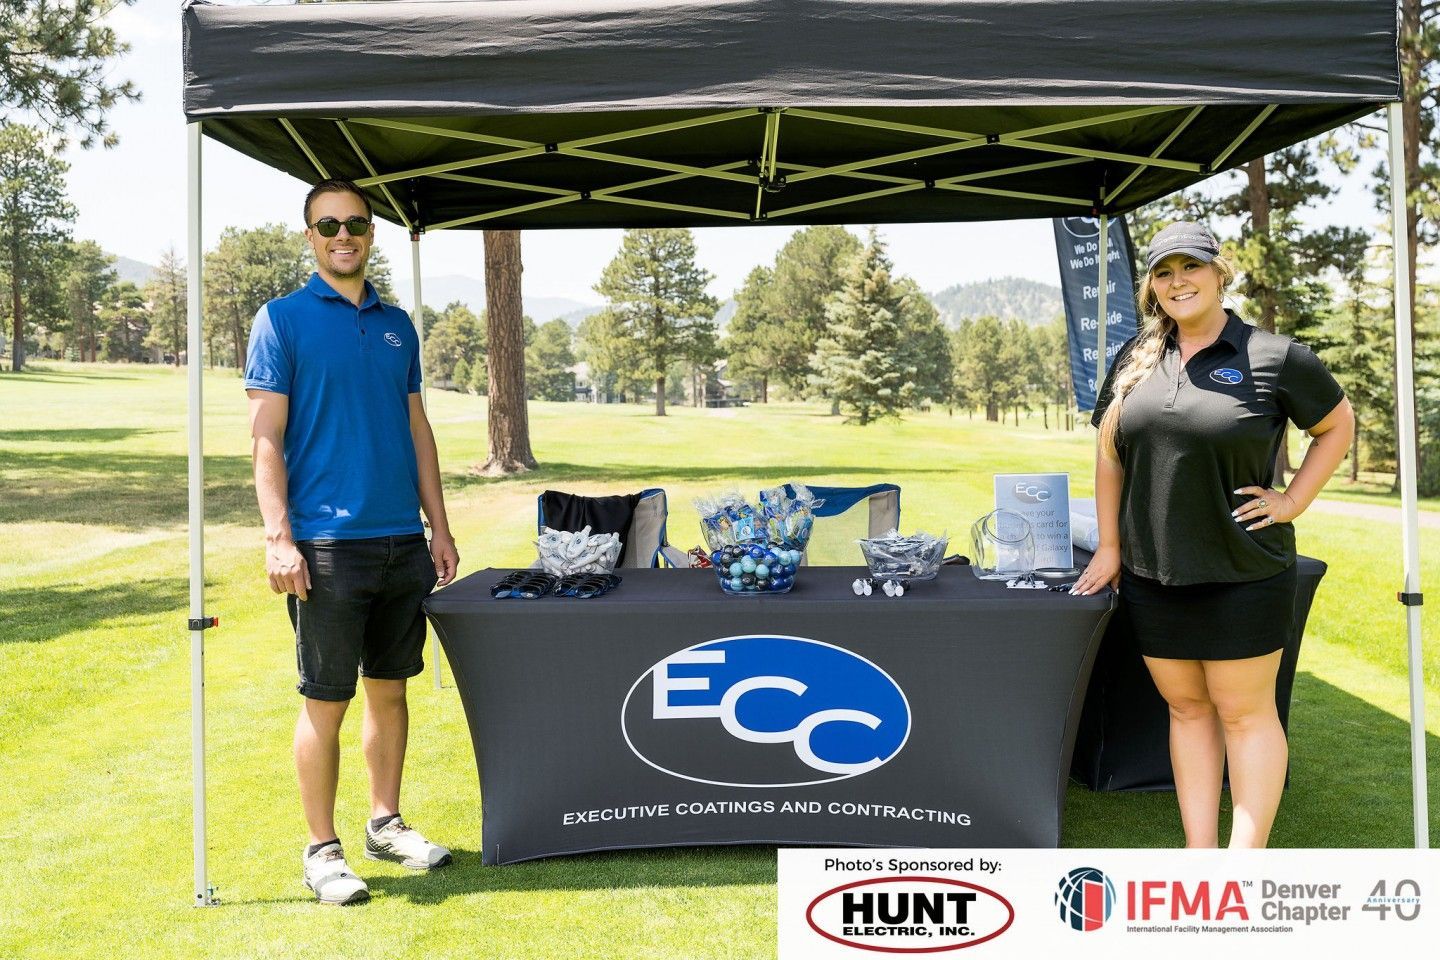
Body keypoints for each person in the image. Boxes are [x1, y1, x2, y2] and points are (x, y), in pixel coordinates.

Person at [1071, 221, 1353, 848]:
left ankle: (1241, 868)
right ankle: (1200, 857)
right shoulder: (1136, 358)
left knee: (1245, 715)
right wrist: (1114, 548)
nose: (1179, 283)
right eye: (1164, 273)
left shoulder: (1275, 356)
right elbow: (1109, 456)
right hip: (1154, 577)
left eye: (1191, 268)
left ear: (1220, 273)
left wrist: (1292, 500)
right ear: (1151, 287)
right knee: (1188, 710)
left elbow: (1337, 426)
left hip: (1244, 575)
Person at [244, 178, 460, 904]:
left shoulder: (398, 324)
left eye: (357, 224)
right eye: (328, 225)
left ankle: (385, 823)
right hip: (326, 546)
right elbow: (265, 438)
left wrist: (440, 525)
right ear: (309, 236)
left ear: (372, 234)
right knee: (326, 701)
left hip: (402, 539)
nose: (344, 235)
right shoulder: (280, 320)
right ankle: (322, 850)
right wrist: (280, 537)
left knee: (390, 692)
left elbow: (416, 428)